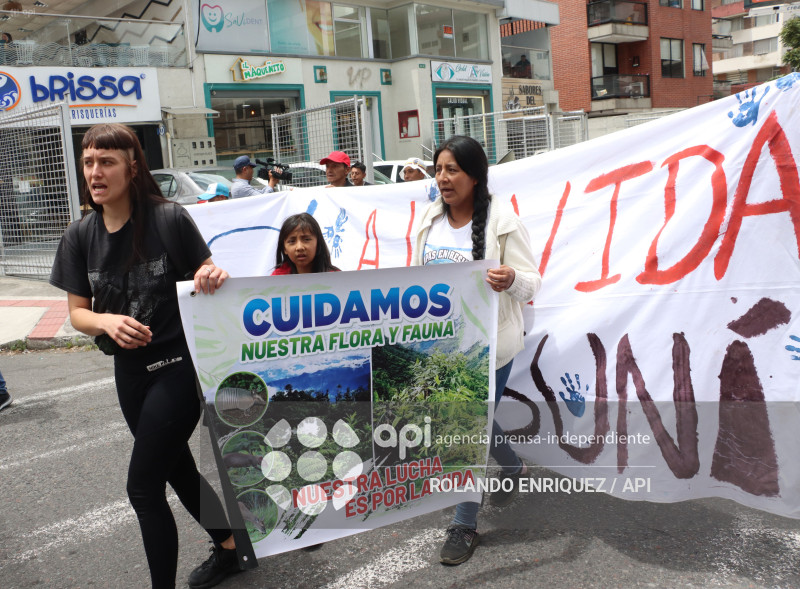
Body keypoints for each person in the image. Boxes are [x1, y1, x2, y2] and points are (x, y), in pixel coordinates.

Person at [49, 123, 241, 589]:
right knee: (176, 469)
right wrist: (105, 321)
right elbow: (77, 313)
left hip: (175, 370)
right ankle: (231, 546)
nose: (95, 171)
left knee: (143, 486)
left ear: (132, 168)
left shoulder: (168, 218)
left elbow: (206, 268)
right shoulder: (80, 235)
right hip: (128, 375)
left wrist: (212, 273)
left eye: (107, 161)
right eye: (89, 161)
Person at [412, 135, 542, 565]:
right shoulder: (429, 219)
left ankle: (464, 523)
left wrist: (512, 281)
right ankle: (513, 465)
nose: (443, 178)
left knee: (465, 426)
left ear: (475, 176)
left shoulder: (502, 220)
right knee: (478, 422)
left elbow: (532, 280)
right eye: (439, 169)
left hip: (491, 347)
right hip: (442, 346)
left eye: (452, 170)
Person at [272, 213, 339, 275]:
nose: (299, 247)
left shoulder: (336, 278)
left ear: (318, 244)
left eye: (306, 239)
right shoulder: (276, 279)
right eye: (292, 241)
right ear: (284, 249)